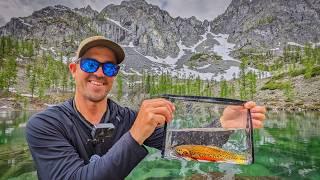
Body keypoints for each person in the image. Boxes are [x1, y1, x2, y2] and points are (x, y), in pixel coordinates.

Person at [26, 36, 266, 180]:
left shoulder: (127, 117)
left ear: (115, 75)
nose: (100, 73)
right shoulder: (45, 124)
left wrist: (224, 125)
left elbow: (182, 144)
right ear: (73, 69)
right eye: (91, 64)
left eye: (110, 68)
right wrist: (136, 134)